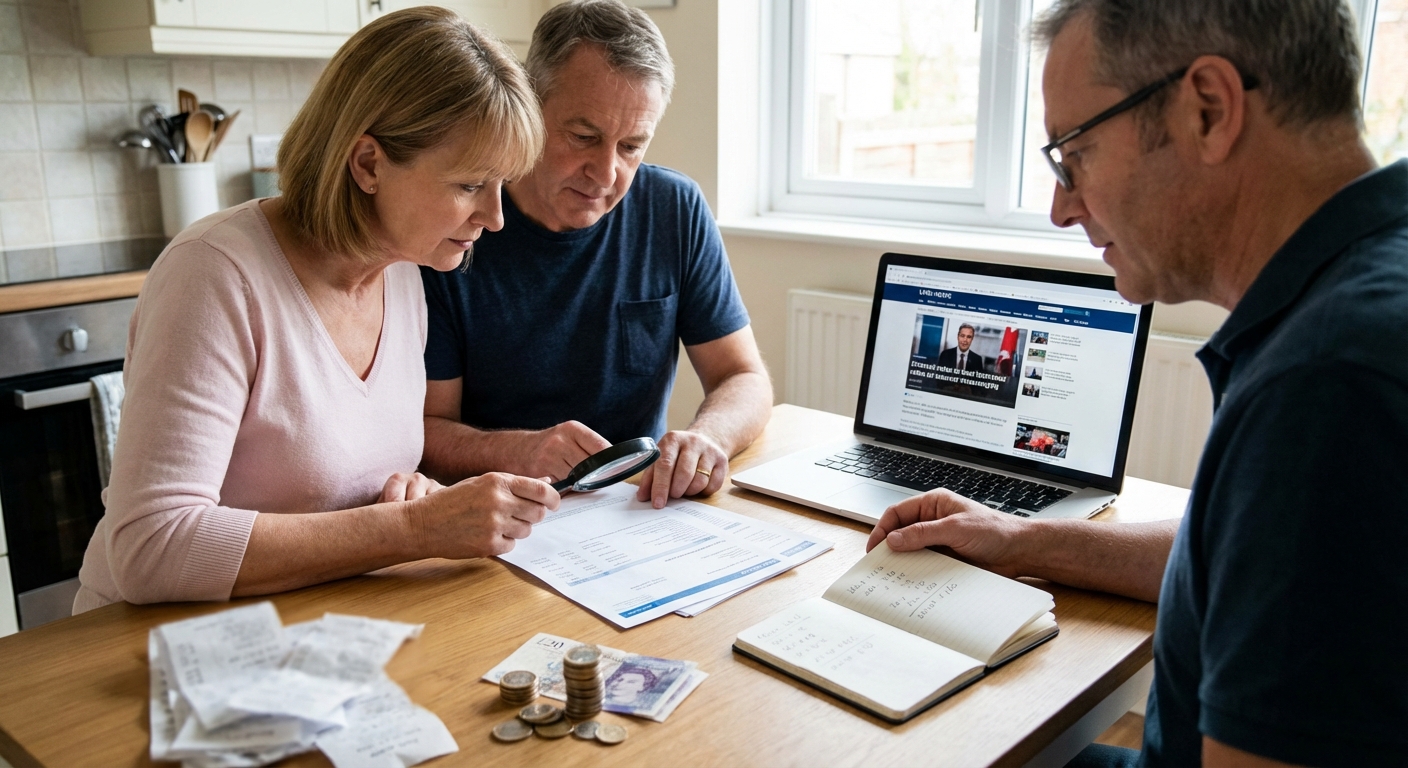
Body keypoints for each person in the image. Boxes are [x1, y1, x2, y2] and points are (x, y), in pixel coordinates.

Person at [868, 1, 1407, 766]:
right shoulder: (1368, 286)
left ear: (1208, 110)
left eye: (1072, 154)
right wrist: (1019, 538)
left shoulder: (1328, 390)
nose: (1061, 208)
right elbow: (1241, 554)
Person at [74, 7, 555, 611]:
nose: (495, 217)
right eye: (468, 186)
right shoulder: (215, 274)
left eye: (500, 185)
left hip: (308, 625)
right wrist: (412, 531)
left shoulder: (405, 274)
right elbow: (151, 546)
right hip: (146, 654)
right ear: (369, 164)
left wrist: (411, 499)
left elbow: (334, 496)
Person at [420, 0, 773, 509]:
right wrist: (520, 450)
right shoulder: (458, 226)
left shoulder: (674, 208)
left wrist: (709, 437)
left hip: (636, 511)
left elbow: (743, 376)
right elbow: (426, 432)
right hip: (499, 515)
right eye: (584, 137)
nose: (606, 173)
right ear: (529, 105)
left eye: (631, 146)